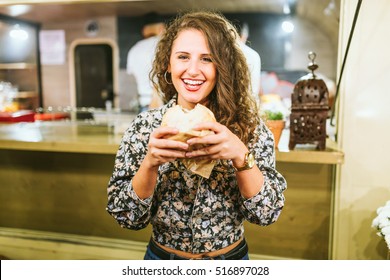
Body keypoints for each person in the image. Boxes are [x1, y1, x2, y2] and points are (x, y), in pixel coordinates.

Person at [107, 11, 287, 260]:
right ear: (168, 64)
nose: (193, 70)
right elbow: (126, 216)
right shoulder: (145, 126)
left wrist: (240, 155)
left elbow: (266, 214)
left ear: (222, 66)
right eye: (183, 57)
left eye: (207, 59)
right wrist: (150, 163)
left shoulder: (249, 127)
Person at [126, 12, 166, 112]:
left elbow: (132, 73)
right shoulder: (163, 46)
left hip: (144, 104)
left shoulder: (134, 49)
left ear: (144, 31)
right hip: (163, 103)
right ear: (161, 28)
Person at [238, 22, 261, 101]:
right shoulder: (253, 55)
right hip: (249, 103)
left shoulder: (223, 53)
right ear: (244, 35)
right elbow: (255, 86)